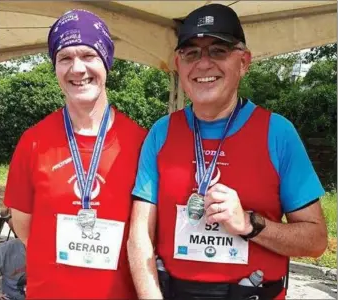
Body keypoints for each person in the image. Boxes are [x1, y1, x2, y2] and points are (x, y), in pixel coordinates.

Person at [128, 4, 328, 300]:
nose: (203, 64)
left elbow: (315, 240)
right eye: (191, 53)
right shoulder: (162, 132)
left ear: (244, 62)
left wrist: (251, 224)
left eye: (218, 50)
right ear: (178, 63)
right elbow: (140, 235)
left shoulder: (277, 133)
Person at [4, 9, 146, 299]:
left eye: (88, 55)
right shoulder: (33, 142)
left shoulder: (141, 142)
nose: (77, 69)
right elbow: (24, 228)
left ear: (106, 61)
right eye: (65, 58)